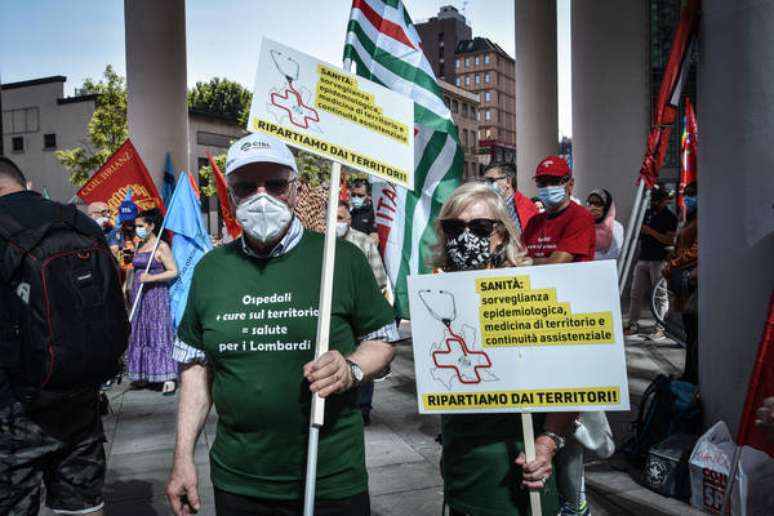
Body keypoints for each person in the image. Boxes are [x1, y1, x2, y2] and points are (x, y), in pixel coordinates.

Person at [166, 133, 397, 516]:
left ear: (294, 189)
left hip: (330, 479)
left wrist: (351, 368)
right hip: (239, 481)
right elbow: (195, 369)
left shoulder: (340, 259)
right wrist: (182, 458)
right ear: (231, 195)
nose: (262, 196)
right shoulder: (209, 270)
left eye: (274, 184)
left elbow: (384, 340)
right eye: (245, 186)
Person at [430, 182, 574, 515]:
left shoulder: (532, 292)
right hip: (461, 468)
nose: (466, 238)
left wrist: (547, 443)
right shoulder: (438, 297)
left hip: (522, 470)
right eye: (454, 228)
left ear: (502, 234)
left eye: (480, 227)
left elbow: (572, 382)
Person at [0, 157, 109, 516]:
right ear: (25, 182)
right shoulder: (78, 221)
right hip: (82, 397)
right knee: (83, 508)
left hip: (14, 412)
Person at [336, 200, 391, 426]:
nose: (336, 223)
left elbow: (379, 279)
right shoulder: (319, 242)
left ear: (349, 220)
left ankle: (363, 408)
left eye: (340, 218)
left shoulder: (364, 242)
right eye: (332, 217)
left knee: (364, 357)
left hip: (360, 312)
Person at [127, 208, 180, 395]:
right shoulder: (139, 245)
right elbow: (133, 269)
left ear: (151, 226)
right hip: (138, 295)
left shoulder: (162, 246)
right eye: (136, 226)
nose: (137, 229)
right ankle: (143, 373)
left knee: (158, 332)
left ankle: (167, 376)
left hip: (155, 295)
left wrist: (152, 278)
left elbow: (173, 271)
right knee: (140, 332)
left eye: (141, 226)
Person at [625, 187, 678, 337]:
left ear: (663, 201)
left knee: (660, 294)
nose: (654, 203)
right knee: (635, 292)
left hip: (660, 259)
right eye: (652, 200)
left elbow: (669, 239)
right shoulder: (647, 214)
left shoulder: (669, 217)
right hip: (643, 257)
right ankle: (633, 323)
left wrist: (651, 232)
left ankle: (661, 326)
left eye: (657, 200)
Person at [523, 156, 596, 264]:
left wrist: (527, 262)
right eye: (542, 182)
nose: (548, 187)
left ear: (570, 184)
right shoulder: (534, 222)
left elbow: (556, 264)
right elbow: (517, 258)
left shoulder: (580, 217)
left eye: (554, 181)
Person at [663, 182, 698, 383]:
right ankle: (689, 374)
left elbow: (696, 250)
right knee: (689, 332)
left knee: (693, 332)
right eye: (686, 194)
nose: (688, 198)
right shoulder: (690, 219)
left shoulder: (701, 220)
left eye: (693, 194)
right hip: (683, 279)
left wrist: (674, 263)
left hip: (691, 281)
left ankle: (692, 376)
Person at [481, 161, 539, 234]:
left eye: (490, 180)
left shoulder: (526, 209)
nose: (486, 185)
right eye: (484, 181)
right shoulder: (483, 206)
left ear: (508, 181)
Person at [586, 188, 624, 261]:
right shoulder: (583, 224)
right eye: (590, 203)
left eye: (598, 203)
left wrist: (588, 255)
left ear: (607, 205)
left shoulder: (616, 227)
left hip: (603, 269)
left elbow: (613, 254)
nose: (593, 207)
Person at [349, 178, 379, 243]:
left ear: (369, 196)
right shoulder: (351, 212)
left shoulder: (372, 214)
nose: (356, 198)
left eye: (360, 195)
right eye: (353, 195)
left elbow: (375, 241)